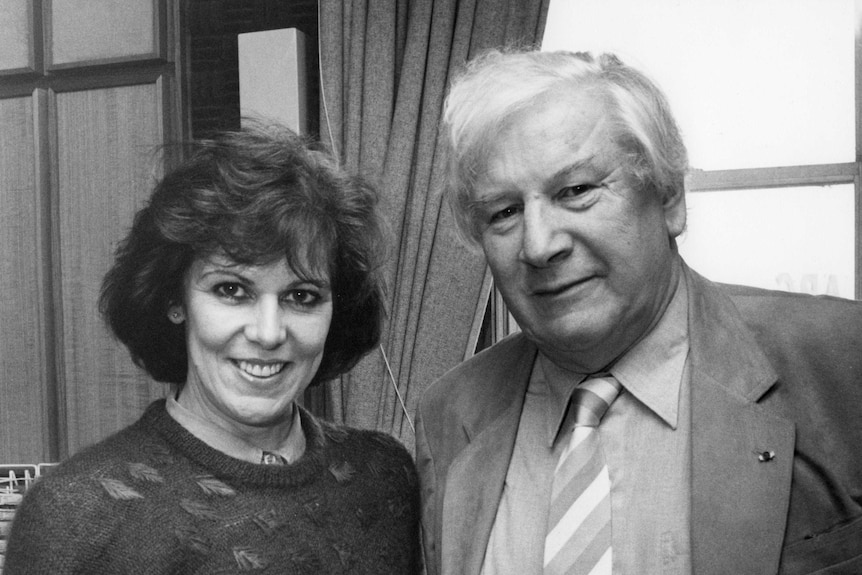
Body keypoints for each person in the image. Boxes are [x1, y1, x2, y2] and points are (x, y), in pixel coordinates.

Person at [415, 48, 862, 575]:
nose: (539, 245)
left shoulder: (843, 362)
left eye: (576, 190)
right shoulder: (450, 414)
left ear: (670, 197)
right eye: (504, 212)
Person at [5, 122, 421, 574]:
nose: (268, 333)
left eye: (301, 297)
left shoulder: (384, 477)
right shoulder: (73, 517)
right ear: (174, 300)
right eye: (231, 290)